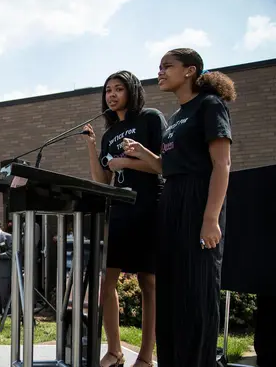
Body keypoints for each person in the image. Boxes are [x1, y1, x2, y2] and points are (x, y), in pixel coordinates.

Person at [122, 48, 235, 367]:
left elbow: (222, 164)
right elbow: (168, 167)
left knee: (195, 294)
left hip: (198, 202)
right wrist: (144, 153)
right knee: (170, 293)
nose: (160, 72)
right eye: (159, 67)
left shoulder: (210, 106)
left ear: (190, 70)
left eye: (167, 66)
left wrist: (211, 219)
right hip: (171, 202)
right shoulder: (175, 119)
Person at [81, 70, 166, 367]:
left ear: (132, 91)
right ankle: (115, 351)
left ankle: (145, 356)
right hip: (119, 211)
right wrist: (92, 145)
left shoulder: (151, 119)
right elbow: (102, 180)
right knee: (107, 282)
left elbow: (163, 166)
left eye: (118, 88)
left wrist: (125, 162)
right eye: (107, 90)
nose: (112, 94)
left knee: (148, 282)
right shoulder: (109, 134)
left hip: (149, 207)